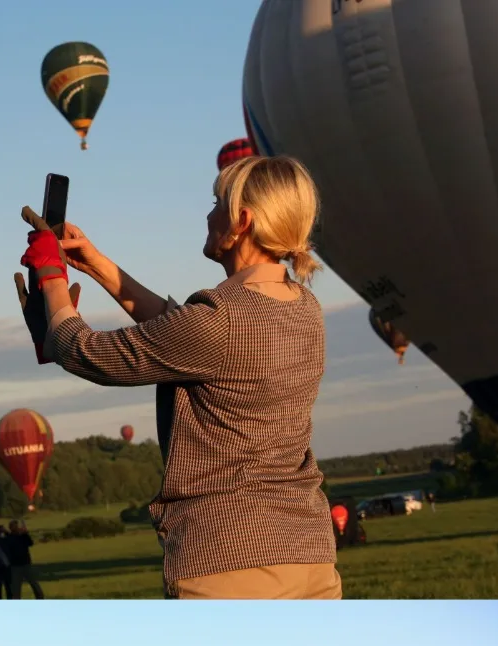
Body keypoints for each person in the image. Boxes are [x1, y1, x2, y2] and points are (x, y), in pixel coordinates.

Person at [18, 155, 340, 599]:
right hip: (312, 557)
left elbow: (88, 353)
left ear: (242, 221)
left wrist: (51, 274)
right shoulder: (306, 309)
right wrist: (96, 265)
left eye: (217, 203)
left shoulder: (218, 320)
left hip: (228, 564)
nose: (208, 215)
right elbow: (182, 334)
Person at [5, 520, 45, 599]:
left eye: (16, 526)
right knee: (16, 587)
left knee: (34, 583)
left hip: (26, 564)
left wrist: (26, 534)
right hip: (15, 566)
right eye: (14, 526)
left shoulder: (23, 536)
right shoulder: (9, 538)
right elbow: (9, 545)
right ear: (11, 528)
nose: (16, 528)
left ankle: (40, 598)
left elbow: (30, 543)